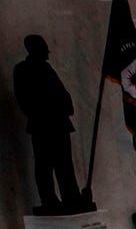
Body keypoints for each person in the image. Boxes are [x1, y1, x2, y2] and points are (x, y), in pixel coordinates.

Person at [13, 34, 83, 213]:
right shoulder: (23, 70)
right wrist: (47, 110)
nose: (47, 51)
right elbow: (25, 99)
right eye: (44, 48)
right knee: (44, 166)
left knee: (65, 164)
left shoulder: (47, 69)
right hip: (42, 126)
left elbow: (63, 95)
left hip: (59, 124)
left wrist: (64, 107)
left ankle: (71, 196)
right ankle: (49, 199)